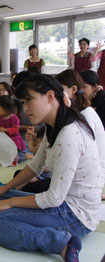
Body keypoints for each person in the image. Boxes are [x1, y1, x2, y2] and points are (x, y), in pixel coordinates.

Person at [0, 74, 102, 262]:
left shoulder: (69, 135)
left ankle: (62, 243)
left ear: (49, 97)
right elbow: (35, 166)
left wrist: (13, 203)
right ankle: (27, 219)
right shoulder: (53, 125)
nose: (25, 109)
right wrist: (6, 188)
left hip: (76, 216)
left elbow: (54, 198)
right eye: (22, 103)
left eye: (28, 101)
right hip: (61, 205)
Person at [55, 69, 105, 201]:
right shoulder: (79, 112)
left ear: (74, 90)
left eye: (60, 90)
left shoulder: (86, 115)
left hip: (88, 180)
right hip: (81, 175)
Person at [0, 95, 25, 166]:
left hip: (12, 139)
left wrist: (6, 129)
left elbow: (16, 129)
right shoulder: (0, 118)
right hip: (2, 138)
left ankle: (14, 161)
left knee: (11, 149)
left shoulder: (13, 118)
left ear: (5, 109)